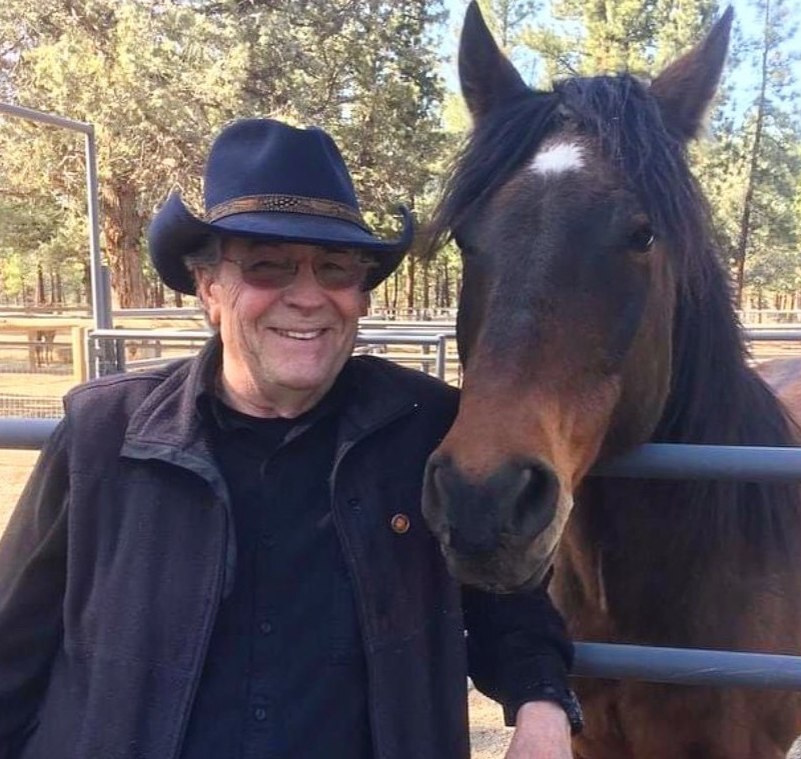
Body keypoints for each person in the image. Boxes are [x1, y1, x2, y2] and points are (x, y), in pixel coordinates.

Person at [0, 118, 581, 759]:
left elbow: (509, 600)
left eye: (334, 269)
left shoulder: (425, 432)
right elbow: (13, 652)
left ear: (360, 298)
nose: (307, 297)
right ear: (209, 289)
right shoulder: (102, 438)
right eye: (268, 267)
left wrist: (542, 703)